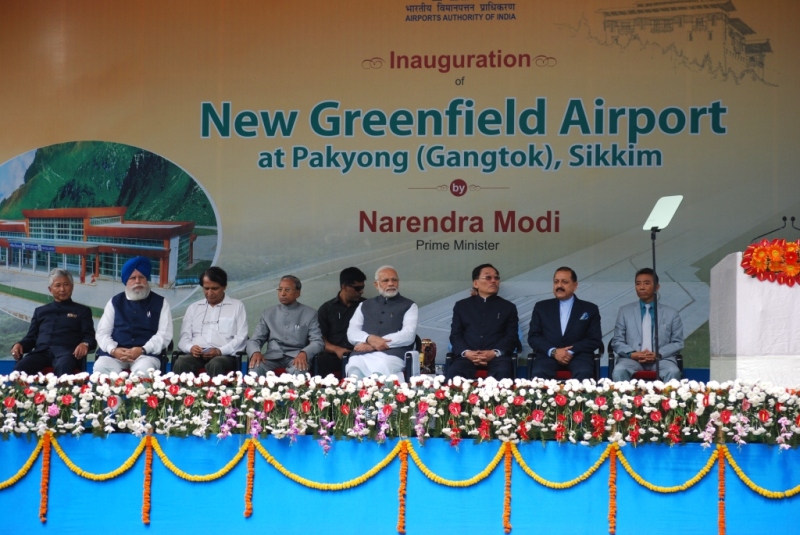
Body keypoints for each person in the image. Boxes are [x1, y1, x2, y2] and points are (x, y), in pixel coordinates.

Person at [94, 257, 173, 376]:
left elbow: (164, 334)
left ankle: (137, 396)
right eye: (132, 278)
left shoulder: (161, 302)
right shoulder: (115, 302)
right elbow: (102, 332)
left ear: (147, 279)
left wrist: (142, 350)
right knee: (101, 367)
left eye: (141, 277)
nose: (137, 281)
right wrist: (113, 350)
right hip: (116, 354)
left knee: (143, 370)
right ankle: (113, 396)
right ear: (126, 281)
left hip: (146, 355)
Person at [11, 268, 96, 375]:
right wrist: (19, 344)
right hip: (41, 353)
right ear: (50, 289)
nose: (62, 289)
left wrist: (85, 344)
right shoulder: (40, 311)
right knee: (20, 368)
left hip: (66, 354)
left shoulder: (82, 311)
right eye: (58, 285)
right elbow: (31, 337)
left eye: (66, 284)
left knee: (63, 366)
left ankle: (65, 392)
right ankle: (19, 392)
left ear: (72, 287)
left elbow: (89, 337)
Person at [528, 266, 602, 380]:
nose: (559, 286)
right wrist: (554, 352)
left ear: (575, 286)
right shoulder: (541, 307)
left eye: (565, 282)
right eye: (556, 282)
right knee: (539, 374)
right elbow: (534, 337)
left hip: (579, 356)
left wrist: (570, 351)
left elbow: (594, 339)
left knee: (584, 373)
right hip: (548, 356)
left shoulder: (590, 309)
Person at [447, 264, 519, 381]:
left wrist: (494, 353)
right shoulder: (462, 306)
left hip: (497, 358)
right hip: (468, 356)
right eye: (488, 278)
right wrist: (467, 353)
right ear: (475, 283)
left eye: (496, 278)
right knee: (455, 371)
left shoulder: (508, 307)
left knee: (503, 371)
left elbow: (511, 336)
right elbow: (456, 335)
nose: (493, 281)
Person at [611, 267, 684, 381]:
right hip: (632, 360)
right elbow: (616, 341)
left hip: (661, 360)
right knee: (619, 370)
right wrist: (632, 354)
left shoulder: (671, 313)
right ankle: (625, 399)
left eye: (646, 283)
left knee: (673, 371)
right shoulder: (625, 311)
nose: (641, 287)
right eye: (638, 284)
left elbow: (677, 343)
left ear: (657, 287)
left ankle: (666, 399)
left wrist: (658, 354)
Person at [173, 267, 247, 376]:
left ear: (224, 287)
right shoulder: (194, 308)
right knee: (181, 363)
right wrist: (191, 348)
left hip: (224, 355)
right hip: (197, 355)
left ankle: (214, 393)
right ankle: (182, 393)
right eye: (206, 288)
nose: (210, 293)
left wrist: (219, 351)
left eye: (214, 288)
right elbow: (184, 338)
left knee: (216, 364)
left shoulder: (237, 306)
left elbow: (241, 338)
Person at [346, 266, 418, 379]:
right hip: (362, 353)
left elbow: (408, 335)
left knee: (381, 367)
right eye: (385, 280)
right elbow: (352, 332)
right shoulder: (364, 305)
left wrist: (374, 345)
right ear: (376, 284)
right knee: (354, 368)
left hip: (392, 354)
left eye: (394, 280)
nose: (391, 284)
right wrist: (369, 339)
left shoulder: (409, 305)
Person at [246, 275, 323, 375]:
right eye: (280, 289)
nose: (282, 293)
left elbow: (317, 341)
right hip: (272, 357)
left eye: (287, 290)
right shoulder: (268, 313)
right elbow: (255, 340)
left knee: (299, 369)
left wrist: (304, 353)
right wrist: (255, 352)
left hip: (296, 357)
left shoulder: (310, 313)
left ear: (297, 293)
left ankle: (293, 392)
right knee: (256, 367)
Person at [316, 267, 367, 377]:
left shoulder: (366, 306)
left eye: (362, 287)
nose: (361, 291)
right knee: (320, 361)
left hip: (360, 352)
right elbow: (320, 339)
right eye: (357, 288)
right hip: (334, 354)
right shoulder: (327, 308)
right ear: (344, 287)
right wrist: (336, 349)